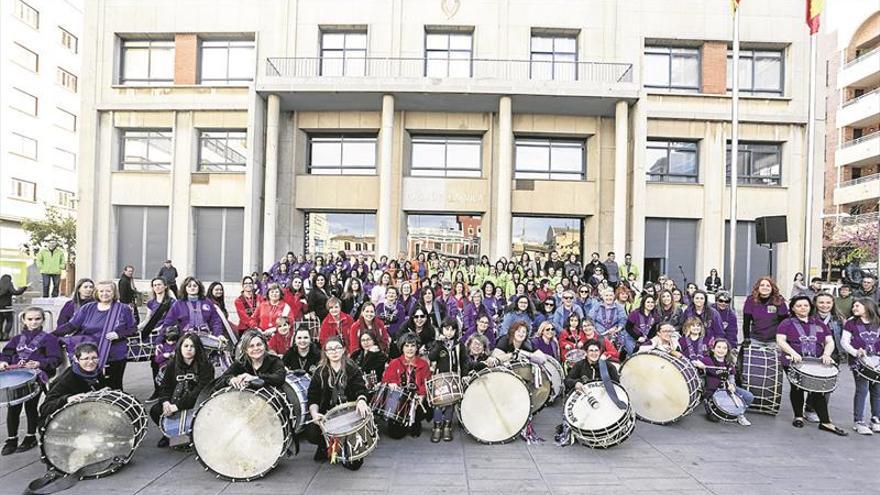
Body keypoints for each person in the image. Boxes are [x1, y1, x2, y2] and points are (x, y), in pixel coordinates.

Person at [776, 295, 847, 436]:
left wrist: (826, 354)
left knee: (818, 389)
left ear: (810, 307)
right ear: (793, 308)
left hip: (815, 362)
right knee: (797, 387)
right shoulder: (786, 323)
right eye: (799, 306)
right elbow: (781, 340)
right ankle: (798, 416)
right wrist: (793, 353)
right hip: (793, 361)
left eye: (806, 305)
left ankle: (825, 422)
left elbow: (830, 341)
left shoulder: (819, 324)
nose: (803, 308)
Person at [0, 307, 61, 455]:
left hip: (36, 377)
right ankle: (12, 439)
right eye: (30, 319)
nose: (33, 322)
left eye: (37, 319)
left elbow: (55, 359)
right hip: (16, 377)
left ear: (43, 320)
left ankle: (30, 436)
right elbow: (7, 353)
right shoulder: (16, 339)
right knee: (13, 407)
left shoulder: (49, 339)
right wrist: (2, 362)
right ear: (24, 320)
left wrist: (40, 363)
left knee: (31, 407)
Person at [54, 280, 136, 390]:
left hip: (115, 353)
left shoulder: (123, 309)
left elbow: (133, 328)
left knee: (114, 385)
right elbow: (71, 326)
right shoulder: (88, 308)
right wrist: (50, 335)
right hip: (91, 355)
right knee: (90, 386)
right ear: (96, 293)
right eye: (101, 291)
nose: (104, 294)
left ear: (114, 293)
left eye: (108, 291)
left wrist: (118, 334)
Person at [305, 337, 371, 470]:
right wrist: (314, 414)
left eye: (337, 348)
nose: (334, 351)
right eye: (330, 349)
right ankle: (325, 444)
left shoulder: (352, 369)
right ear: (326, 353)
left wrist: (362, 400)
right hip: (328, 414)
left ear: (343, 350)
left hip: (350, 414)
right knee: (311, 432)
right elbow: (313, 396)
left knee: (354, 465)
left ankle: (346, 444)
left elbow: (360, 388)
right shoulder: (319, 372)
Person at [151, 333, 214, 448]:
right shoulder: (172, 365)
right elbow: (165, 387)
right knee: (155, 410)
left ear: (197, 348)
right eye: (185, 346)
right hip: (175, 399)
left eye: (192, 346)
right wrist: (165, 402)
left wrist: (177, 406)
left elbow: (200, 392)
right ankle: (169, 434)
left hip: (196, 402)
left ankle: (194, 435)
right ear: (180, 347)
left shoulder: (206, 366)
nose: (188, 349)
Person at [840, 298, 880, 435]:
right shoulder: (851, 323)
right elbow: (844, 342)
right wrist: (856, 352)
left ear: (868, 306)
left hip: (877, 360)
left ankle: (876, 419)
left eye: (857, 305)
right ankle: (859, 421)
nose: (854, 308)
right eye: (853, 306)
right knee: (862, 390)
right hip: (859, 362)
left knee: (877, 390)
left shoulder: (878, 321)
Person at [39, 342, 109, 419]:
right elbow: (44, 408)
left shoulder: (96, 371)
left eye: (94, 358)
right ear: (76, 359)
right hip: (67, 421)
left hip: (89, 414)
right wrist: (67, 399)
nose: (91, 362)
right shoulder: (66, 379)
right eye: (86, 358)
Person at [693, 338, 754, 426]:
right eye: (719, 347)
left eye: (724, 348)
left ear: (727, 350)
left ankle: (740, 414)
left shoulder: (728, 363)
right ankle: (715, 407)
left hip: (727, 390)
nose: (721, 350)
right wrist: (698, 364)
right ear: (713, 349)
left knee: (749, 396)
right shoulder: (706, 360)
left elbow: (731, 376)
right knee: (714, 418)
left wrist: (732, 385)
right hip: (712, 392)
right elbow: (693, 363)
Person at [381, 333, 430, 439]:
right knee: (396, 435)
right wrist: (391, 382)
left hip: (415, 399)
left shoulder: (424, 364)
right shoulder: (394, 363)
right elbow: (386, 379)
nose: (410, 349)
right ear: (402, 347)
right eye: (406, 346)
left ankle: (416, 420)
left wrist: (421, 395)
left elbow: (426, 383)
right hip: (399, 401)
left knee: (415, 432)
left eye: (413, 346)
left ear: (417, 347)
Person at [427, 318, 467, 443]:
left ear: (456, 331)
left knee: (450, 403)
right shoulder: (438, 344)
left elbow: (464, 361)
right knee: (438, 403)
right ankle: (437, 426)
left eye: (452, 330)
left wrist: (463, 376)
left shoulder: (459, 345)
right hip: (440, 378)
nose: (449, 332)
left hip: (453, 378)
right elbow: (431, 357)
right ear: (442, 329)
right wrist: (439, 344)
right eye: (446, 329)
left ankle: (447, 426)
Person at [219, 330, 286, 391]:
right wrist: (231, 379)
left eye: (259, 345)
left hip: (270, 401)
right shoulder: (241, 363)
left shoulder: (274, 361)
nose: (256, 348)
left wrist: (254, 378)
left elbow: (280, 378)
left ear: (265, 346)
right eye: (251, 346)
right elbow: (221, 379)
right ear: (246, 350)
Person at [742, 277, 789, 345]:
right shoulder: (750, 300)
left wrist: (784, 339)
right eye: (762, 285)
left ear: (772, 288)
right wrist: (746, 338)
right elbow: (746, 322)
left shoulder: (779, 300)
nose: (765, 287)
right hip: (755, 339)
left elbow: (784, 322)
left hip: (774, 340)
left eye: (768, 286)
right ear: (758, 287)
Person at [0, 275, 28, 340]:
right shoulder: (9, 284)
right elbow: (15, 292)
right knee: (9, 321)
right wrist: (23, 288)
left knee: (0, 322)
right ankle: (6, 335)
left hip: (0, 308)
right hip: (7, 307)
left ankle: (0, 336)